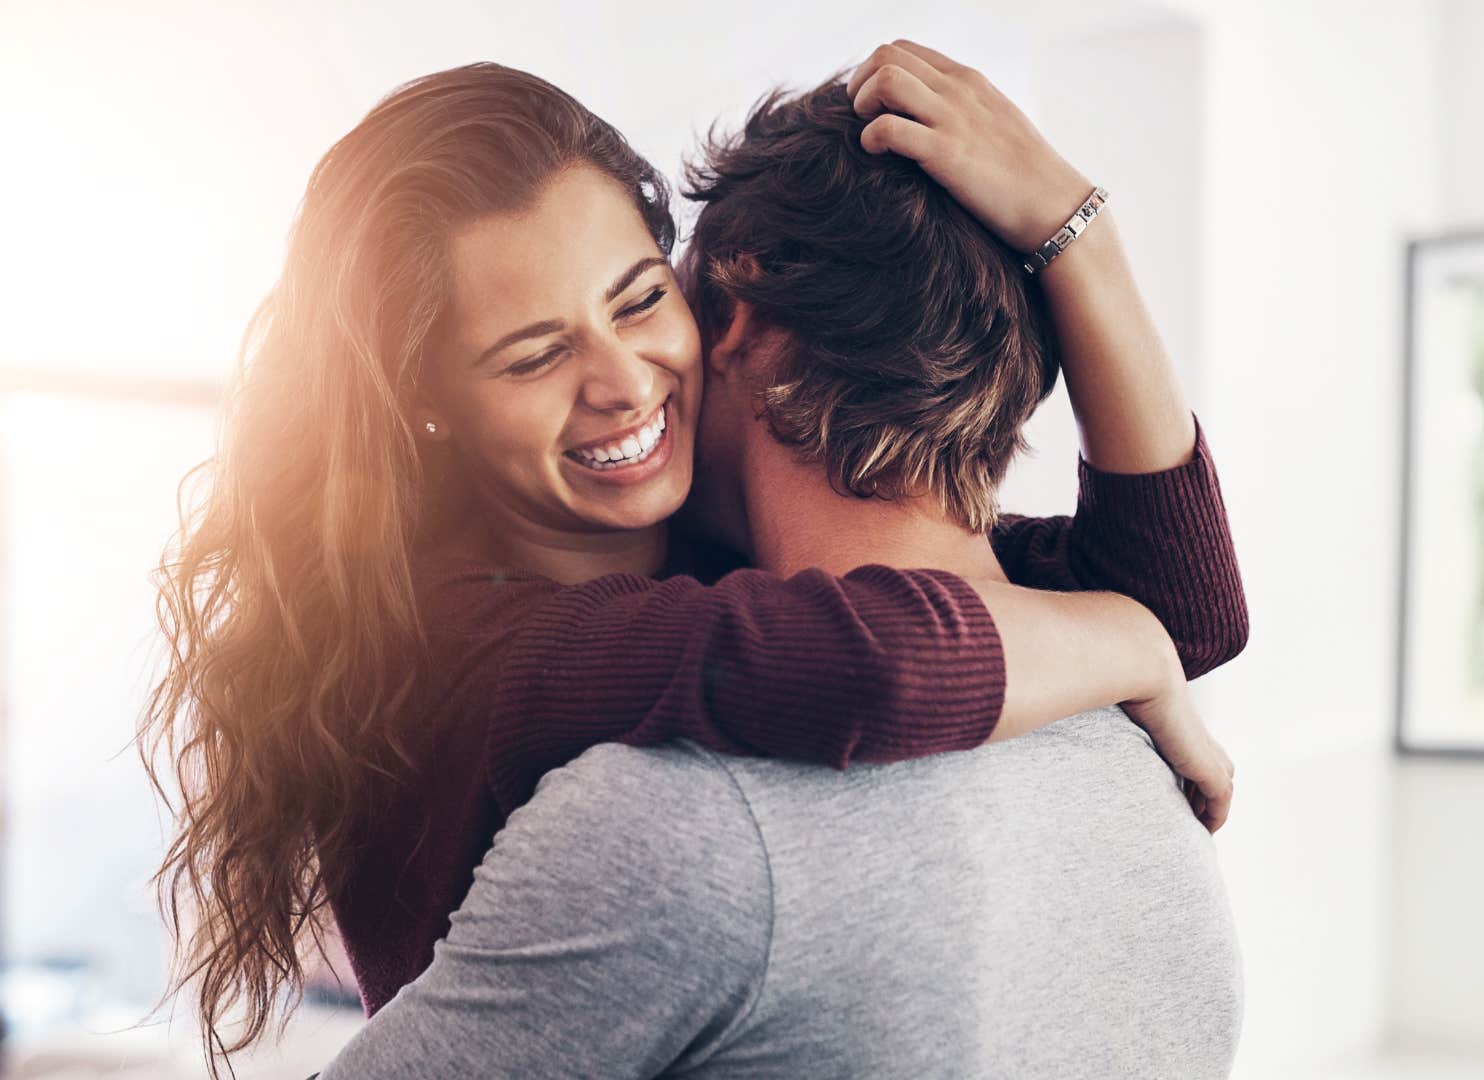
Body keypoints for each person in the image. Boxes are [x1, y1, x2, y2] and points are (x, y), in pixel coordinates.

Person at [140, 43, 1246, 1069]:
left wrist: (1080, 239)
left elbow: (1190, 606)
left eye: (640, 300)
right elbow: (888, 661)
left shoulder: (709, 563)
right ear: (424, 406)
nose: (625, 382)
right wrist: (1129, 646)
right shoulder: (475, 650)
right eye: (533, 356)